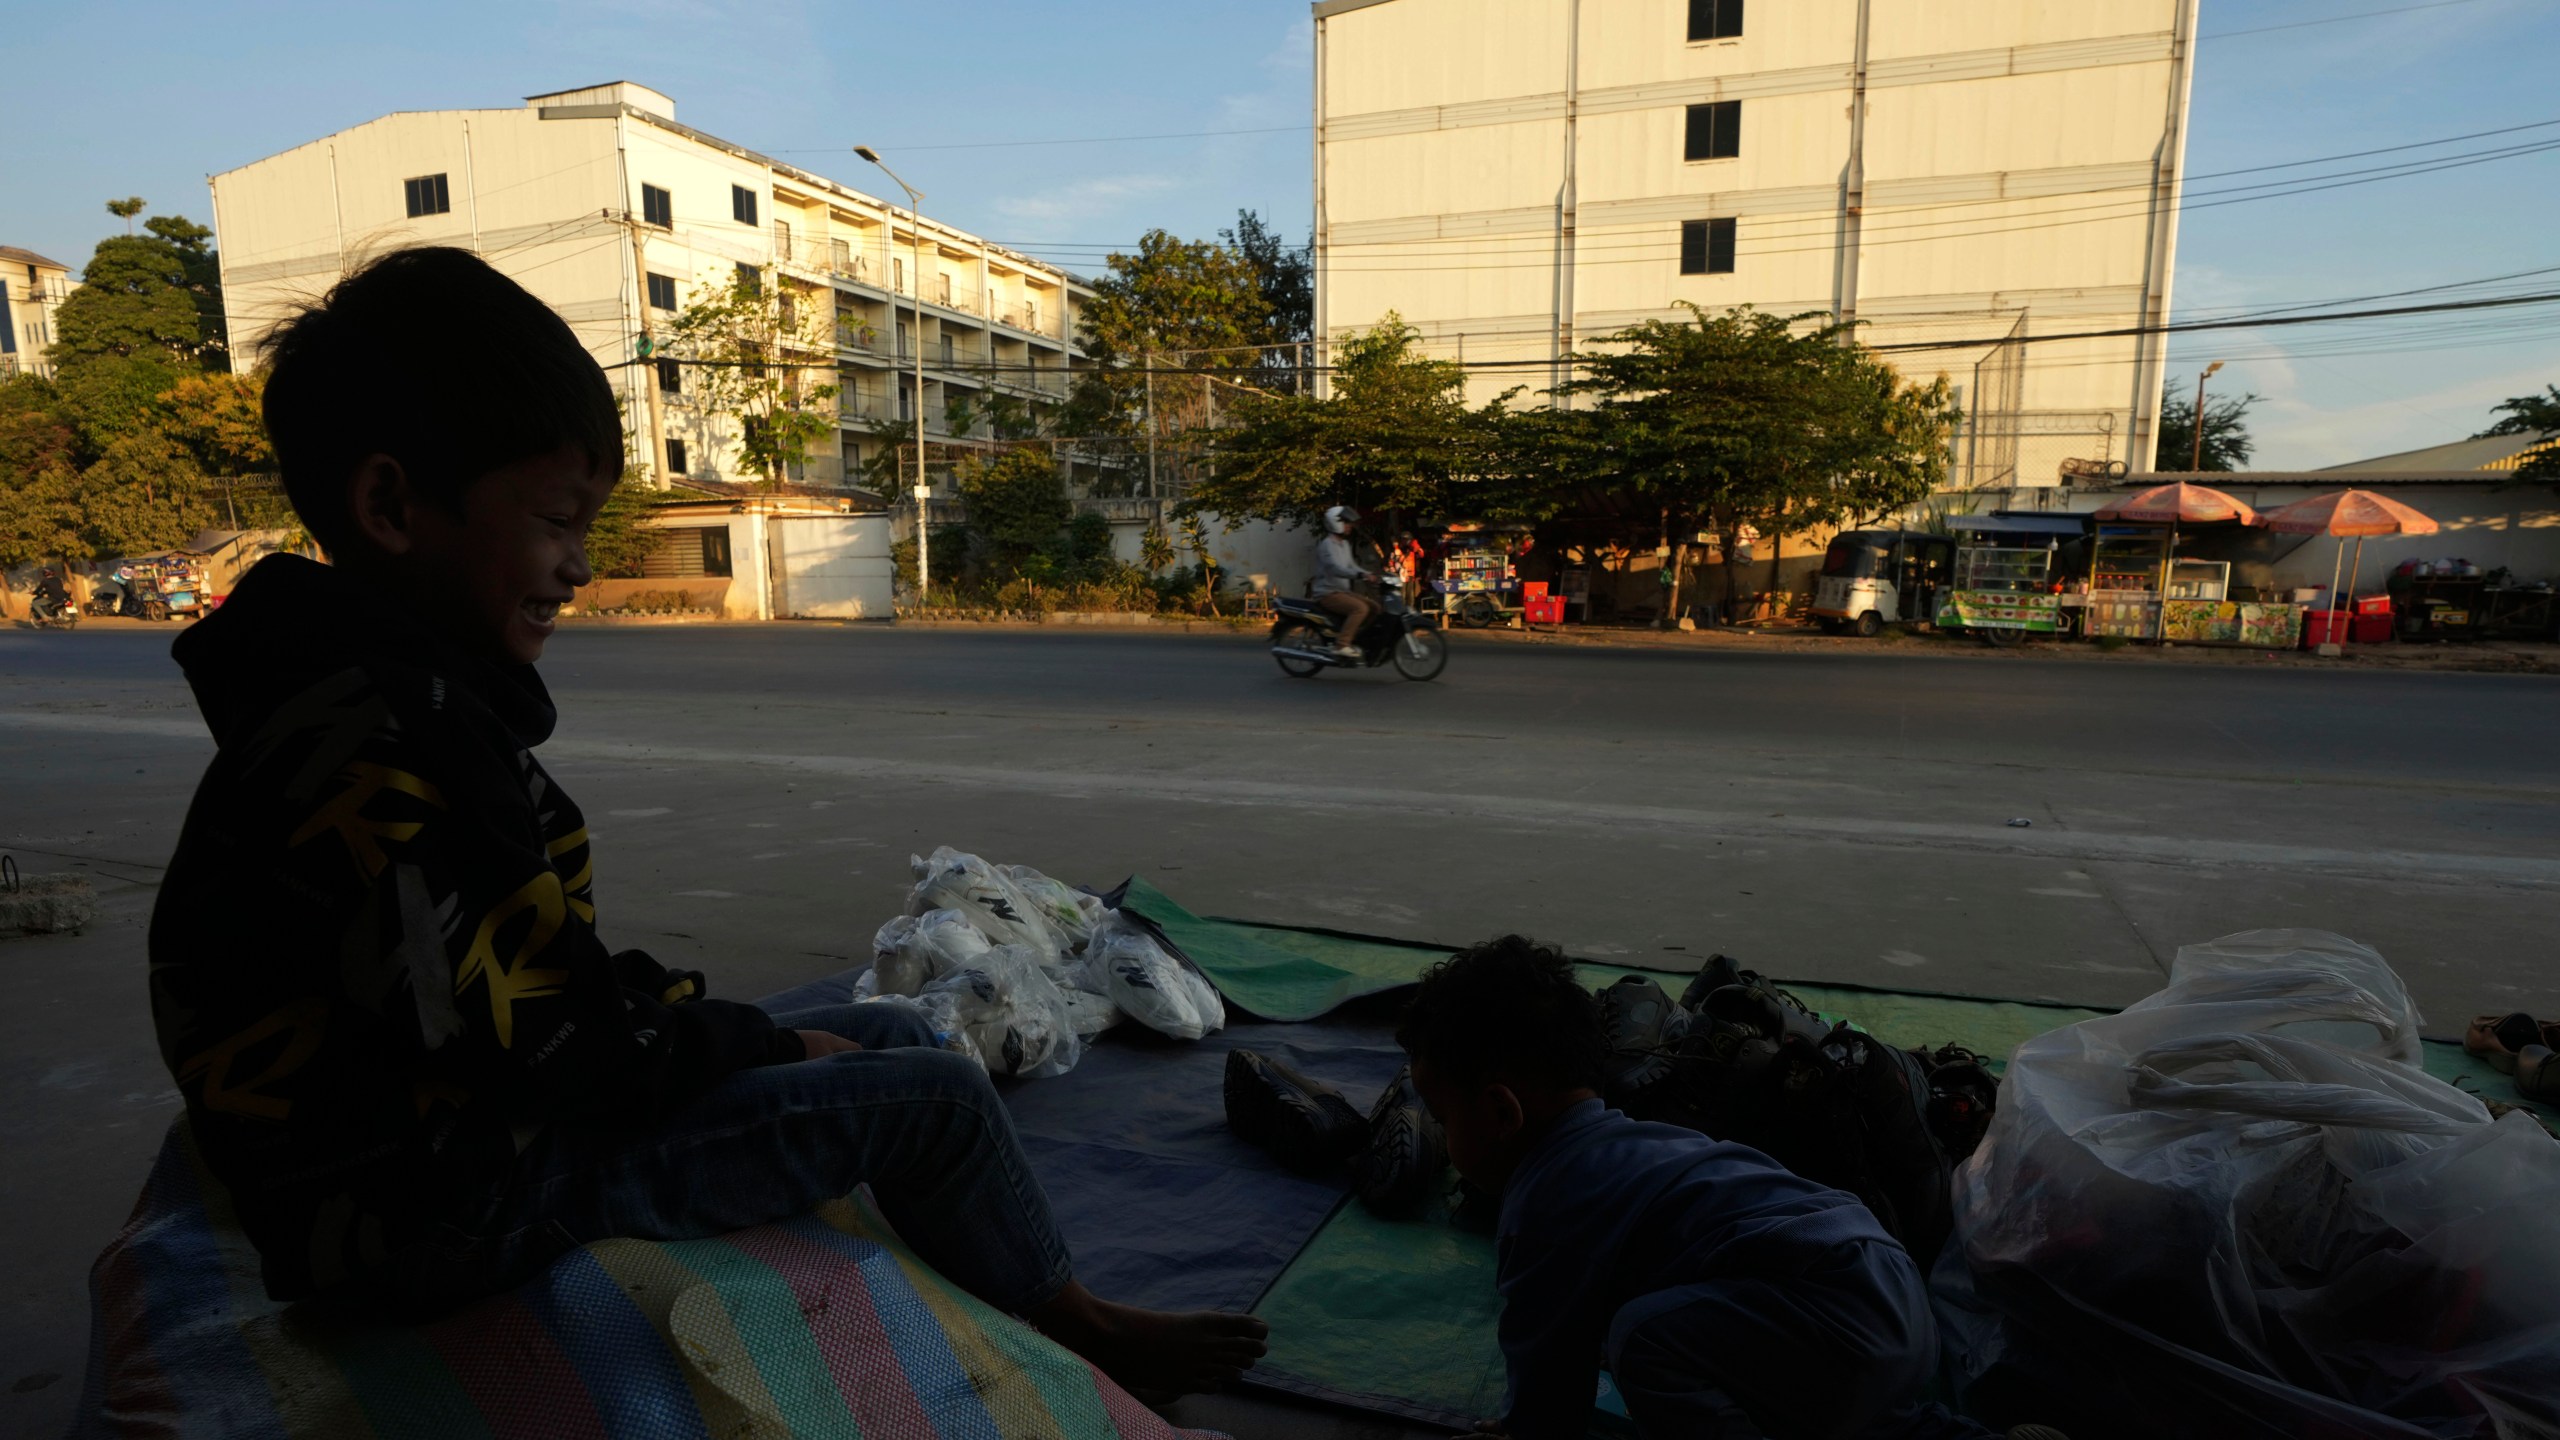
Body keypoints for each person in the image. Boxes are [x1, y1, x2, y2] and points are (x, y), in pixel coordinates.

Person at [145, 246, 1266, 1395]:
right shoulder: (379, 748)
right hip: (437, 1206)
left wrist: (729, 1034)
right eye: (555, 522)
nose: (577, 568)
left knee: (885, 1032)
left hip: (470, 1130)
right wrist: (751, 1045)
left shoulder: (382, 701)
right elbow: (547, 1049)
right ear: (393, 507)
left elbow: (532, 978)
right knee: (928, 1093)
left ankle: (1012, 1295)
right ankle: (1080, 1327)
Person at [1396, 936, 1969, 1440]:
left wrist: (1523, 1431)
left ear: (1502, 1111)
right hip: (1888, 1289)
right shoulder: (1638, 1143)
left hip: (1839, 1316)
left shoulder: (1545, 1204)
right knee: (1834, 1408)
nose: (1443, 1140)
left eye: (1443, 1118)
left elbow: (1546, 1376)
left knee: (1644, 1342)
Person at [1312, 504, 1380, 658]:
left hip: (1342, 592)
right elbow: (1335, 569)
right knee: (1360, 608)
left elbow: (1352, 566)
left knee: (1374, 607)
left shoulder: (1344, 544)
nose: (1349, 526)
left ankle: (1355, 638)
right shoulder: (1327, 545)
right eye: (1346, 523)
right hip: (1328, 593)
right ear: (1335, 523)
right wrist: (1360, 576)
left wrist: (1370, 574)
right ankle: (1341, 645)